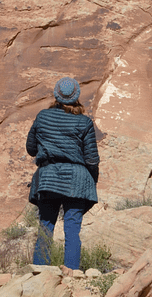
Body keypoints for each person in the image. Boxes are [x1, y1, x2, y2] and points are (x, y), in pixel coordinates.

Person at [27, 77, 100, 270]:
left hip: (49, 178)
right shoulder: (84, 122)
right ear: (76, 96)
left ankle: (40, 273)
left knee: (45, 226)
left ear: (56, 95)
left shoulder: (42, 116)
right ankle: (72, 273)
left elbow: (31, 148)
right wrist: (92, 180)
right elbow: (92, 158)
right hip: (76, 179)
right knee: (72, 229)